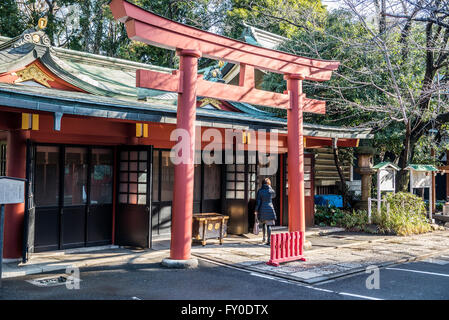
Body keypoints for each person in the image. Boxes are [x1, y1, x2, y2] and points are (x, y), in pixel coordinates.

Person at [254, 178, 276, 245]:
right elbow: (273, 195)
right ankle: (269, 241)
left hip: (262, 208)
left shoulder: (260, 191)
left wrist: (256, 210)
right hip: (270, 208)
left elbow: (258, 202)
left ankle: (264, 238)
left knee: (263, 224)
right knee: (269, 225)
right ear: (269, 183)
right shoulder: (271, 191)